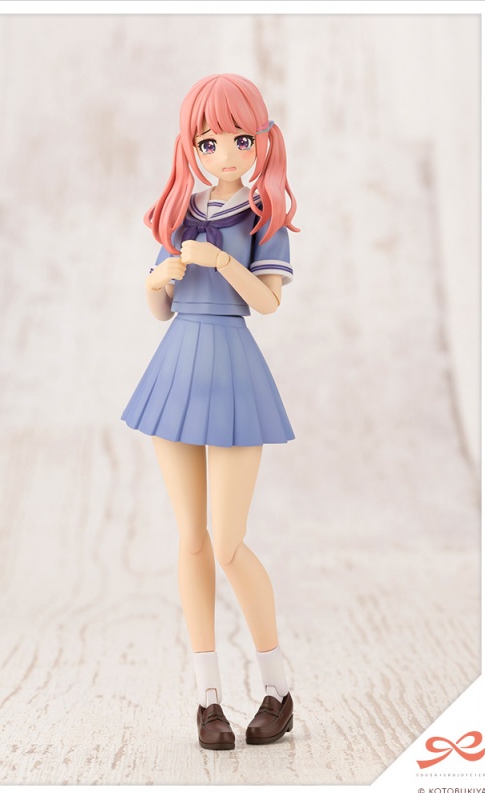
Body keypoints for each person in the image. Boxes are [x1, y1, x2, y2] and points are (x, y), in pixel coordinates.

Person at [122, 73, 299, 750]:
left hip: (231, 370)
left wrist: (221, 263)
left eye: (240, 139)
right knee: (191, 540)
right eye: (210, 141)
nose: (226, 153)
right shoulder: (180, 211)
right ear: (192, 145)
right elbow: (158, 308)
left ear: (260, 141)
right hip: (176, 370)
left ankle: (278, 687)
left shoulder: (262, 216)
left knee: (227, 543)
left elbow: (269, 302)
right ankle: (208, 698)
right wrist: (157, 278)